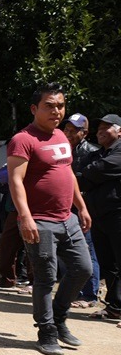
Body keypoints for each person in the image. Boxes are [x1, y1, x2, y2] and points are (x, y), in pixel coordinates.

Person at [7, 83, 92, 355]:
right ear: (34, 109)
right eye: (50, 106)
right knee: (45, 278)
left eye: (60, 106)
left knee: (83, 269)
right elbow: (16, 181)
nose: (56, 111)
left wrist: (82, 207)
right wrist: (25, 217)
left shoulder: (61, 137)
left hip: (67, 218)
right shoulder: (23, 139)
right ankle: (47, 333)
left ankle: (58, 317)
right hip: (40, 221)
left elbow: (68, 174)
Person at [78, 114, 121, 324]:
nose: (101, 131)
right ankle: (115, 306)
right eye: (99, 128)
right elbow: (82, 179)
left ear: (120, 131)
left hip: (117, 214)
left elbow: (99, 170)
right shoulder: (98, 154)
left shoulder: (119, 151)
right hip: (99, 216)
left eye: (107, 127)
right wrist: (90, 174)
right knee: (108, 264)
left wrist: (90, 173)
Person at [63, 113, 101, 308]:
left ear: (84, 133)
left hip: (83, 208)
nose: (68, 133)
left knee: (87, 250)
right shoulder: (62, 150)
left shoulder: (92, 152)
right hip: (65, 208)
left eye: (73, 130)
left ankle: (89, 295)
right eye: (66, 129)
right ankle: (75, 291)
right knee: (71, 252)